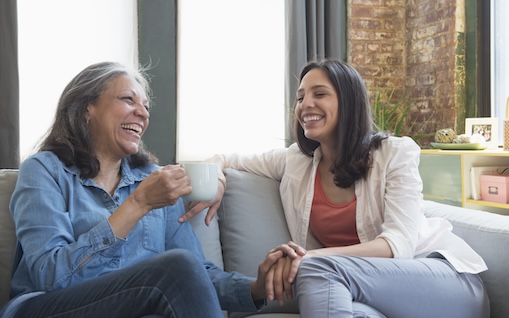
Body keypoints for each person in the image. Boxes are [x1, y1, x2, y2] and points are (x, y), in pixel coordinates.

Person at [181, 59, 490, 317]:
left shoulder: (395, 153)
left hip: (440, 279)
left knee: (317, 270)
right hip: (361, 287)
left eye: (320, 94)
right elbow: (224, 158)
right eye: (301, 97)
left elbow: (399, 246)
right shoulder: (296, 161)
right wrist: (217, 180)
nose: (306, 104)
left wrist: (312, 258)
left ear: (349, 101)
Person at [0, 61, 283, 318]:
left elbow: (195, 277)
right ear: (87, 107)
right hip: (47, 307)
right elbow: (50, 276)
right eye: (128, 99)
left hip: (131, 308)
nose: (143, 113)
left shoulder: (153, 179)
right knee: (175, 267)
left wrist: (258, 287)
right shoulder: (45, 170)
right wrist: (138, 204)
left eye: (146, 106)